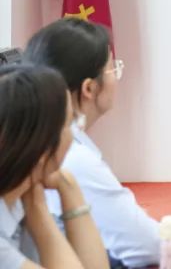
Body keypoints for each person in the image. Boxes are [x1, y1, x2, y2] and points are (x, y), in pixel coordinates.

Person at [22, 18, 159, 267]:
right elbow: (147, 247)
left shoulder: (61, 148)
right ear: (89, 88)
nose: (117, 77)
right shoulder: (73, 158)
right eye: (113, 68)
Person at [0, 63, 108, 269]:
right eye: (69, 124)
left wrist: (68, 186)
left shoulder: (19, 199)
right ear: (42, 145)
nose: (74, 136)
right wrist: (38, 212)